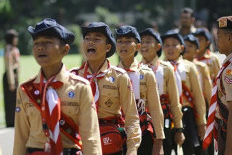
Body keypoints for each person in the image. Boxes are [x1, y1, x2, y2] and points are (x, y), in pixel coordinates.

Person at [13, 18, 102, 155]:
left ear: (64, 50)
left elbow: (90, 137)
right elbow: (20, 137)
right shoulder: (25, 89)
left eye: (47, 42)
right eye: (36, 43)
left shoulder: (80, 87)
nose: (40, 47)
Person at [70, 22, 141, 155]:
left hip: (110, 144)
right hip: (80, 145)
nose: (91, 42)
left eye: (97, 39)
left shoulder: (120, 77)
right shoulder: (72, 76)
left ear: (108, 47)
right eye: (87, 38)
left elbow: (131, 117)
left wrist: (132, 149)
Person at [115, 26, 165, 155]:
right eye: (120, 41)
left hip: (143, 132)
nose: (123, 45)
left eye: (128, 41)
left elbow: (155, 107)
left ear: (137, 46)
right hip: (117, 132)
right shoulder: (111, 74)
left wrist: (159, 140)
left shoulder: (146, 73)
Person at [139, 28, 184, 155]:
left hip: (164, 119)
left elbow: (174, 101)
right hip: (141, 120)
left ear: (158, 46)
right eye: (141, 42)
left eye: (148, 42)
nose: (144, 45)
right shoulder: (135, 69)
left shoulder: (166, 68)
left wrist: (179, 128)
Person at [161, 30, 206, 155]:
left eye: (174, 44)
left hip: (187, 114)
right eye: (167, 45)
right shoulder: (159, 67)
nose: (170, 48)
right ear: (162, 47)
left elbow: (197, 95)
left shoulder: (189, 67)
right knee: (166, 148)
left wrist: (202, 122)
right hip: (167, 115)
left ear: (181, 48)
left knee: (189, 149)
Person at [203, 16, 232, 155]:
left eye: (219, 36)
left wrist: (228, 149)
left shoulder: (230, 70)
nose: (217, 40)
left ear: (230, 38)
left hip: (228, 132)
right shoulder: (227, 65)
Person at [183, 34, 212, 155]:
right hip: (186, 109)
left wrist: (211, 112)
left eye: (191, 46)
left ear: (197, 49)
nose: (187, 48)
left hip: (200, 107)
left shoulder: (201, 66)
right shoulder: (174, 66)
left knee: (201, 141)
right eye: (185, 45)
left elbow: (207, 90)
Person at [3, 29, 20, 127]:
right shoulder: (9, 50)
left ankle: (15, 119)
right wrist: (11, 82)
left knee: (15, 99)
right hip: (10, 77)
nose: (16, 39)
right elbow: (9, 67)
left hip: (15, 76)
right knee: (10, 100)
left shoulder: (15, 49)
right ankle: (10, 121)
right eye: (15, 37)